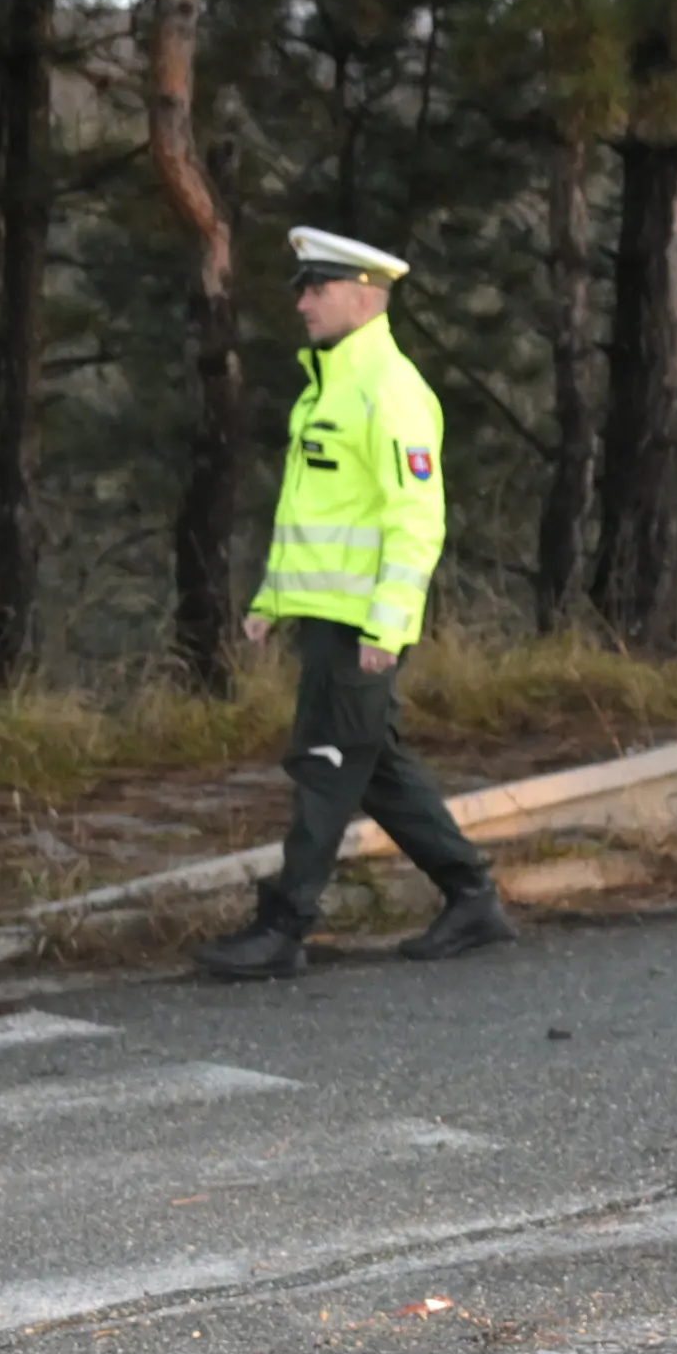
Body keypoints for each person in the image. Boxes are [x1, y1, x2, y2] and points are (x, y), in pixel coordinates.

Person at [197, 227, 515, 981]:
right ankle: (472, 897)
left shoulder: (391, 391)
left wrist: (389, 623)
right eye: (304, 288)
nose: (302, 302)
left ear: (365, 296)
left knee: (327, 763)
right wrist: (272, 600)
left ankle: (284, 925)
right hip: (332, 619)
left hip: (363, 626)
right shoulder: (329, 384)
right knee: (373, 764)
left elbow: (416, 520)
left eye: (317, 288)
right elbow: (312, 515)